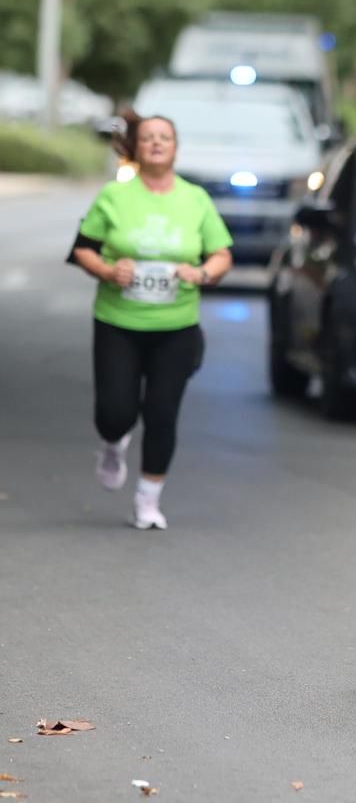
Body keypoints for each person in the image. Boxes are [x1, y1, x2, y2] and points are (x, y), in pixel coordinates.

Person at [69, 111, 233, 530]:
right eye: (148, 138)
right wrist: (107, 271)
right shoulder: (114, 196)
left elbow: (221, 254)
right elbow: (83, 248)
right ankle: (112, 442)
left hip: (175, 326)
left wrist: (202, 273)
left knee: (162, 412)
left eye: (165, 137)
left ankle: (147, 500)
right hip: (118, 321)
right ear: (136, 148)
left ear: (175, 147)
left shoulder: (194, 198)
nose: (157, 143)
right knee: (114, 412)